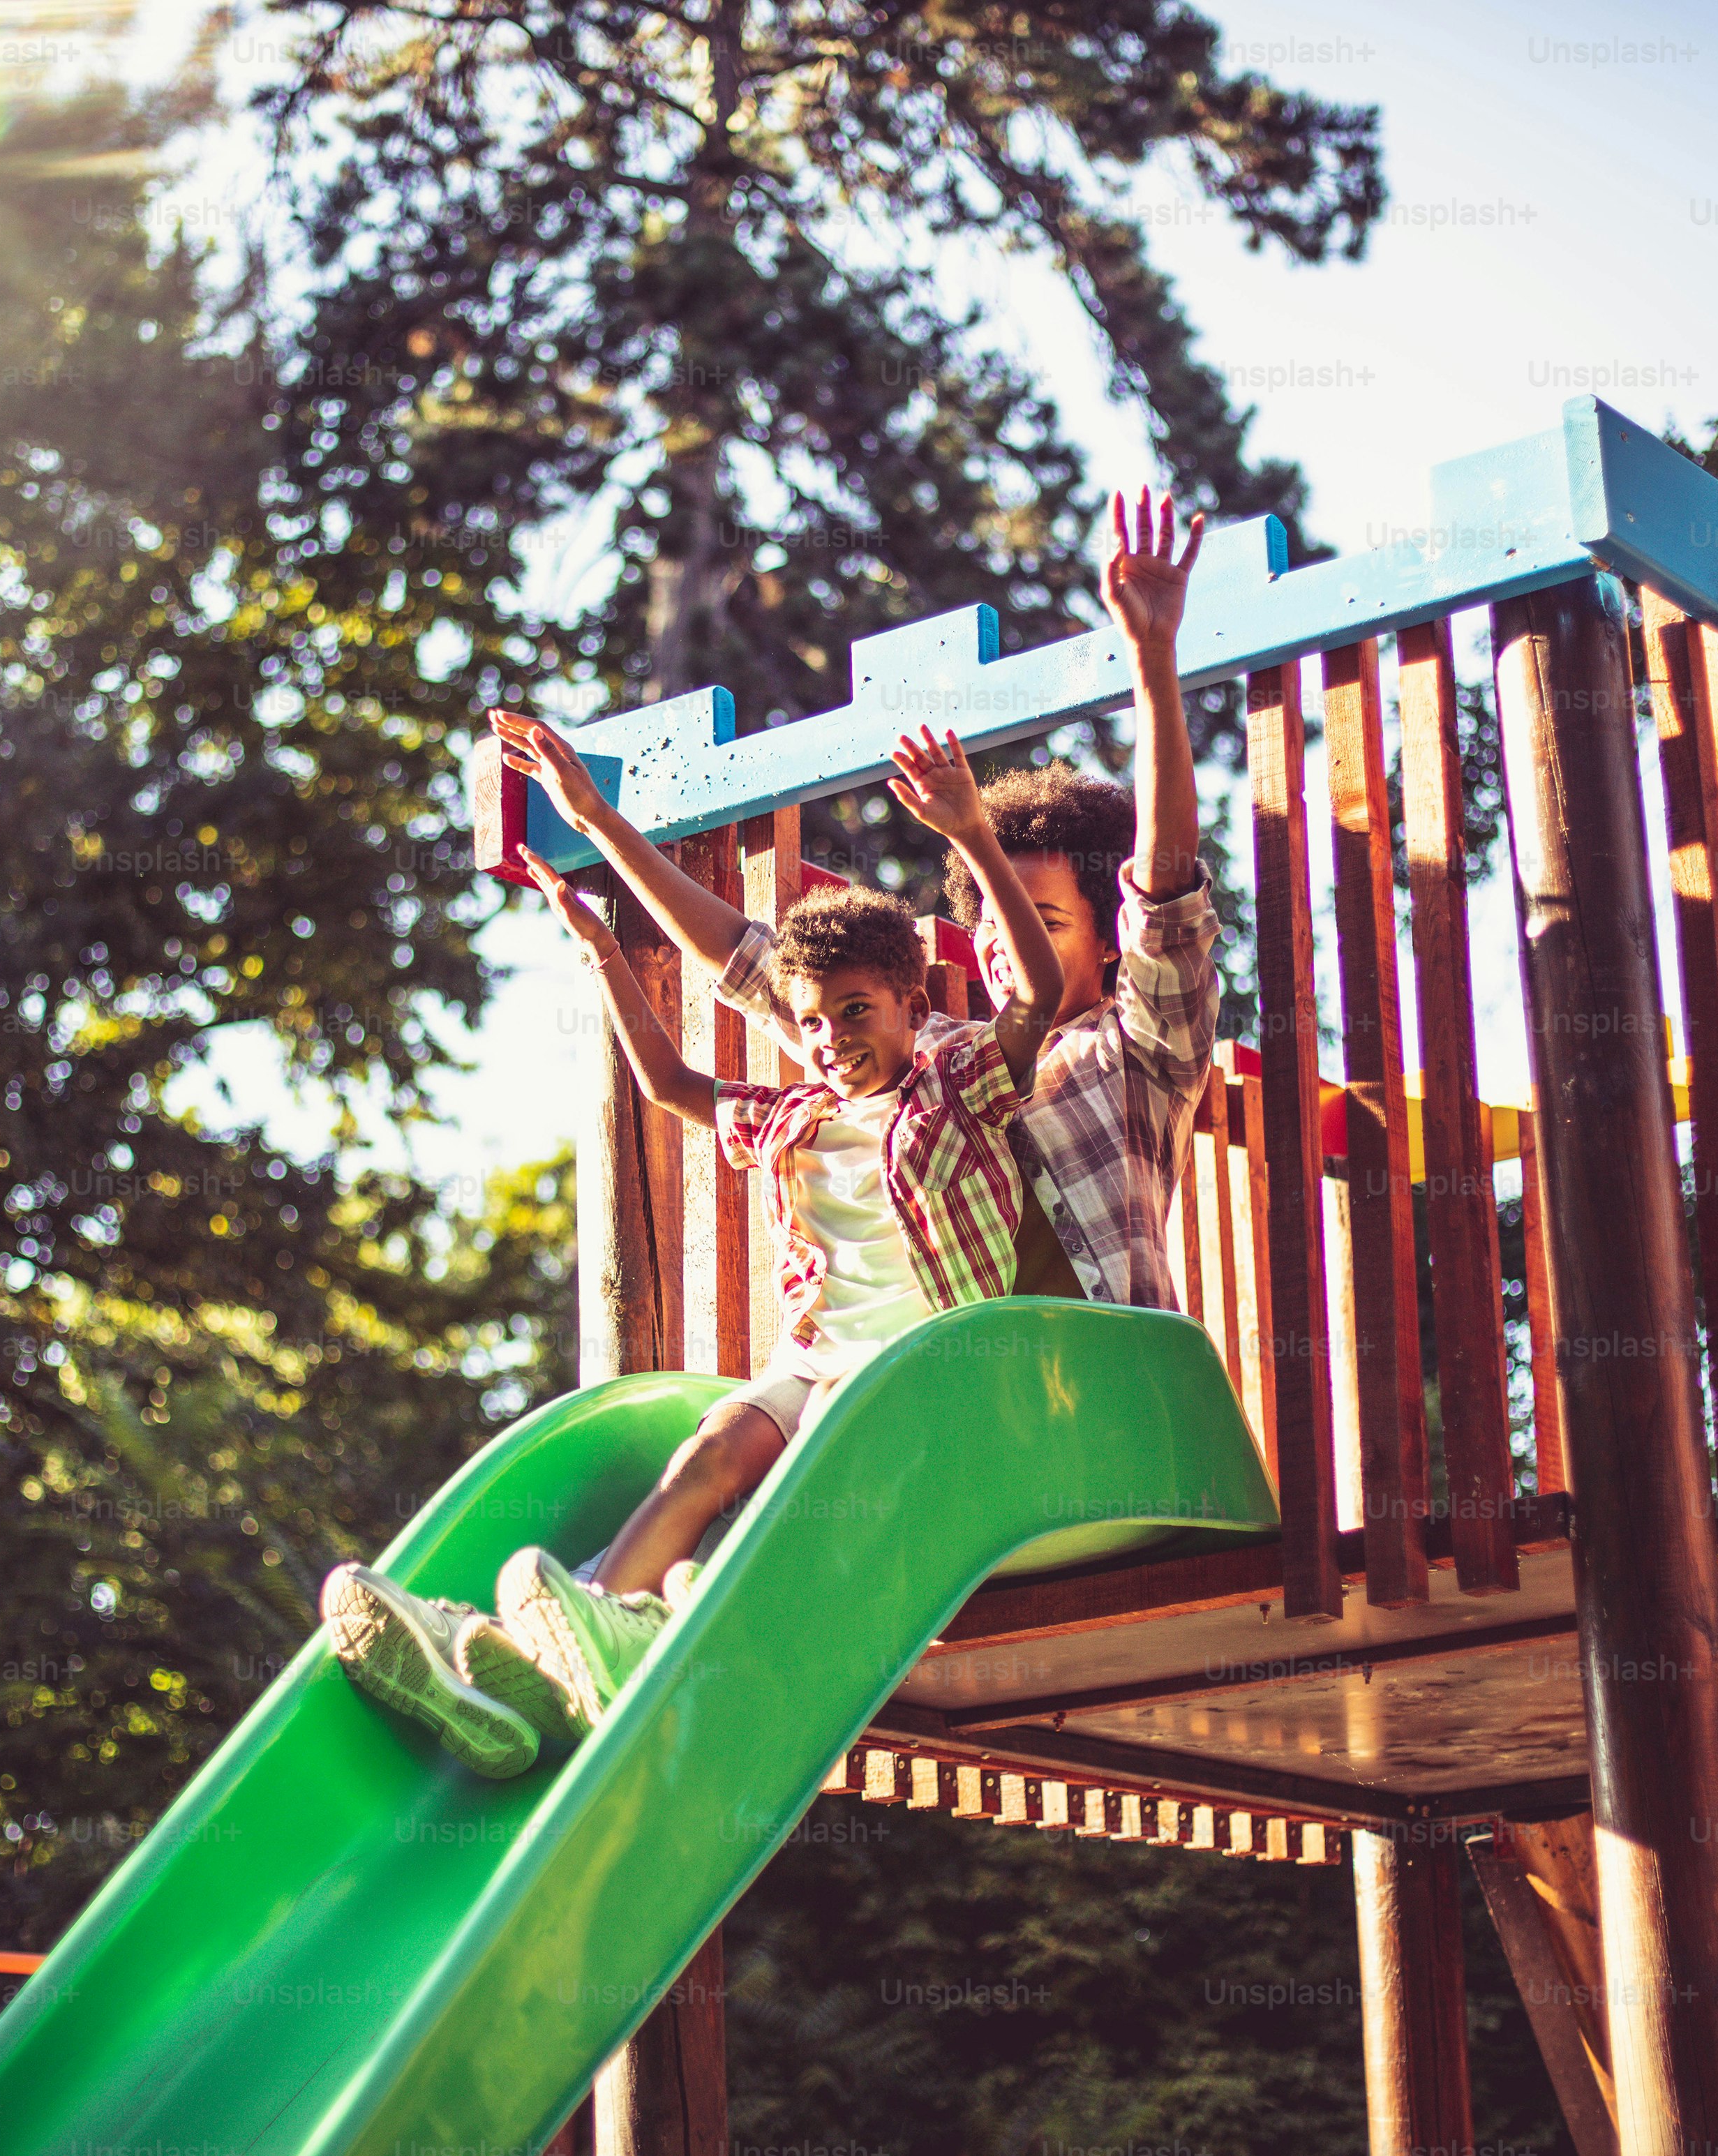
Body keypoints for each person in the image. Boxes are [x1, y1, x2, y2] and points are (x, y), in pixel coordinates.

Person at [319, 726, 1062, 1779]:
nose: (834, 1035)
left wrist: (974, 837)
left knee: (779, 1500)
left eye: (858, 1010)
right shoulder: (793, 1112)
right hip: (819, 1367)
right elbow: (670, 1084)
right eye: (812, 1021)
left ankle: (568, 1631)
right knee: (712, 1449)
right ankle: (535, 1654)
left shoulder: (958, 1087)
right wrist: (605, 954)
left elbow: (1032, 992)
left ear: (911, 1002)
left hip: (920, 1380)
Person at [496, 486, 1220, 1319]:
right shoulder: (922, 1056)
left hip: (1101, 1384)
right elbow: (740, 954)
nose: (998, 941)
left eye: (1044, 920)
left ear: (1107, 945)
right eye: (987, 917)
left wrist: (1152, 664)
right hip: (958, 1394)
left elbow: (1163, 887)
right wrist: (599, 821)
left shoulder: (1138, 1051)